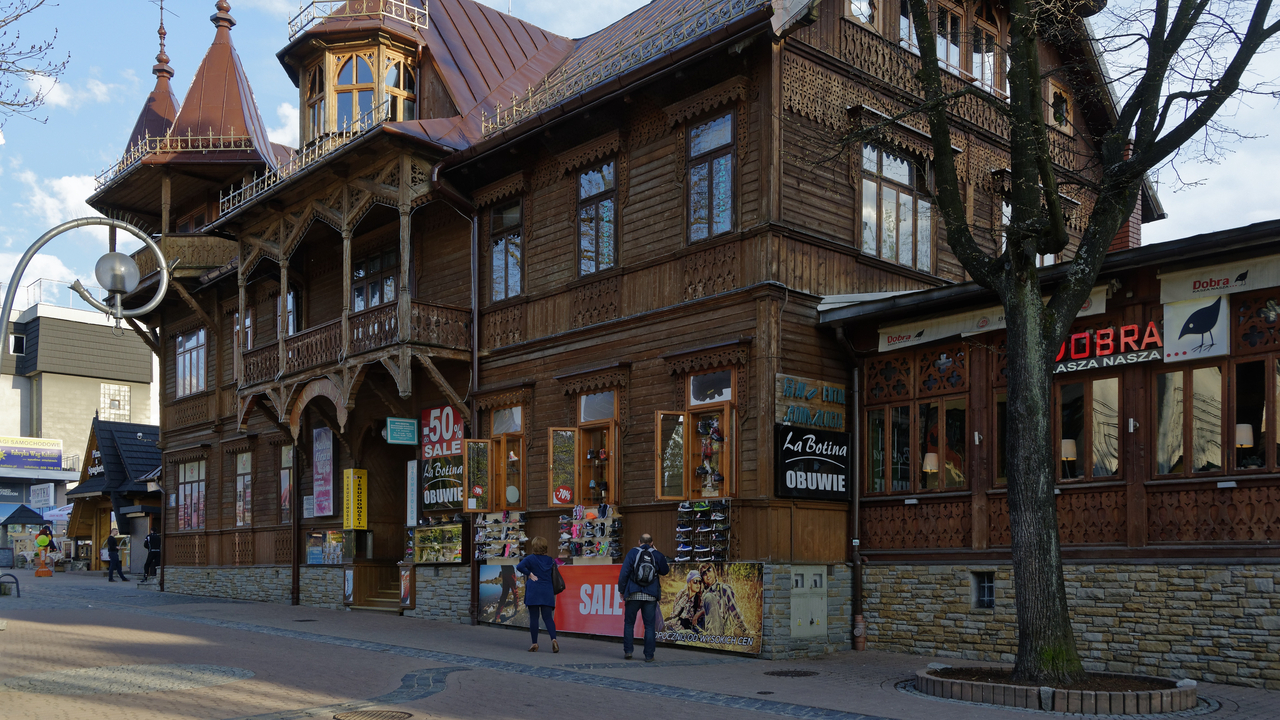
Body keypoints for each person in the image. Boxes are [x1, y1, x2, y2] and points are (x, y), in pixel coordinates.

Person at [617, 532, 670, 661]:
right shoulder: (656, 554)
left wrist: (622, 590)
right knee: (650, 626)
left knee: (629, 624)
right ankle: (649, 655)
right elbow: (665, 570)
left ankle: (628, 651)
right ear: (652, 542)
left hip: (633, 594)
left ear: (639, 542)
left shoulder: (633, 553)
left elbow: (624, 573)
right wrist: (658, 553)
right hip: (650, 596)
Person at [515, 536, 558, 653]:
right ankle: (553, 639)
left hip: (534, 590)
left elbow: (519, 567)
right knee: (548, 618)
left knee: (534, 618)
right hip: (547, 591)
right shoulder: (551, 560)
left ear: (534, 546)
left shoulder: (530, 559)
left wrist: (529, 574)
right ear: (545, 547)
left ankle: (534, 643)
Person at [698, 563, 745, 637]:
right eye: (704, 573)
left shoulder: (724, 589)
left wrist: (745, 631)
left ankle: (711, 641)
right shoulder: (701, 593)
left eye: (709, 570)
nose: (707, 574)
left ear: (714, 572)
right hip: (702, 629)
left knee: (709, 597)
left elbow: (736, 613)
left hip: (717, 631)